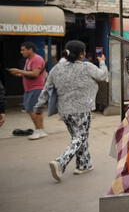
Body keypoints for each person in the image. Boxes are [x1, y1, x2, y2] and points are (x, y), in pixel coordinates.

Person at [34, 40, 108, 182]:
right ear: (82, 54)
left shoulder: (57, 68)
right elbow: (102, 76)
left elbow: (47, 89)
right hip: (82, 109)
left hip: (65, 111)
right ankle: (60, 162)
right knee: (79, 137)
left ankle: (84, 165)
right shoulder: (87, 66)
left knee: (78, 137)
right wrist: (102, 62)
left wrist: (39, 106)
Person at [8, 41, 48, 140]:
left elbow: (35, 74)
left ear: (30, 50)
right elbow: (29, 72)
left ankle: (39, 130)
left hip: (36, 88)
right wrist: (20, 74)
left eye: (23, 50)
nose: (22, 52)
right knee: (31, 110)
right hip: (29, 89)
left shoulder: (37, 59)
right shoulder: (28, 60)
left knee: (33, 110)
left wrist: (19, 71)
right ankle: (40, 130)